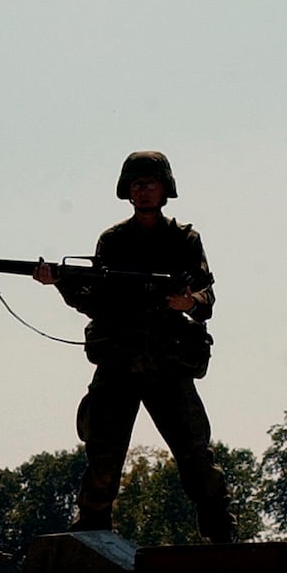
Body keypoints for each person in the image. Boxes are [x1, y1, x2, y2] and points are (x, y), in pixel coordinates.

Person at [33, 151, 236, 543]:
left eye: (150, 183)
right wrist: (59, 282)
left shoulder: (184, 240)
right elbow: (95, 301)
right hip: (119, 362)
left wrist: (188, 302)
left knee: (196, 457)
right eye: (136, 184)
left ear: (165, 189)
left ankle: (220, 538)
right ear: (127, 191)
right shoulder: (114, 240)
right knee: (103, 458)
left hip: (167, 362)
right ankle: (93, 537)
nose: (142, 190)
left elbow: (205, 294)